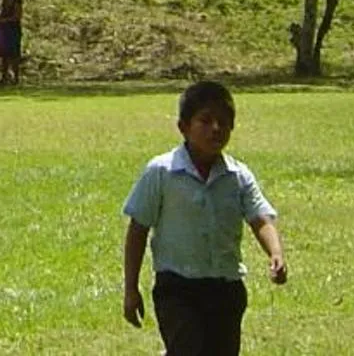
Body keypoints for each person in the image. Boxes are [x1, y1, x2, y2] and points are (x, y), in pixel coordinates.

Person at [120, 80, 286, 356]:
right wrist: (131, 289)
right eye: (205, 121)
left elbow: (260, 218)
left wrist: (275, 253)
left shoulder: (238, 176)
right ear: (183, 127)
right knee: (187, 348)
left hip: (226, 289)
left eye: (223, 122)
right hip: (177, 288)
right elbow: (138, 230)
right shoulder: (162, 172)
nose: (216, 129)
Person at [0, 0, 24, 85]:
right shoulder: (4, 4)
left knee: (14, 54)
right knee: (4, 54)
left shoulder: (16, 3)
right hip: (4, 29)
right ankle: (4, 77)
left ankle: (16, 78)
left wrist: (5, 20)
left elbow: (17, 16)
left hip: (13, 29)